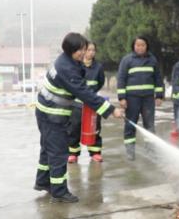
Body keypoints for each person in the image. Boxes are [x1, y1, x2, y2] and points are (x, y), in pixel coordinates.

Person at [34, 33, 122, 203]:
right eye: (81, 50)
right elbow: (84, 93)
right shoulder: (67, 68)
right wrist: (111, 110)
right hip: (52, 115)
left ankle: (43, 181)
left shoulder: (66, 61)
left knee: (47, 148)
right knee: (59, 153)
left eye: (85, 48)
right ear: (71, 50)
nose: (84, 52)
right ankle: (59, 191)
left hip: (45, 111)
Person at [117, 36, 164, 160]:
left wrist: (159, 95)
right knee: (130, 125)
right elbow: (121, 79)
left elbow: (158, 78)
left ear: (147, 46)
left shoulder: (152, 60)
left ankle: (150, 150)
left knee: (149, 125)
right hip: (132, 99)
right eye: (137, 45)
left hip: (148, 99)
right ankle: (130, 151)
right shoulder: (127, 60)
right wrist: (122, 98)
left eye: (142, 45)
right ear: (133, 46)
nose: (140, 47)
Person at [68, 41, 106, 163]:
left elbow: (100, 83)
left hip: (92, 103)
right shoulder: (76, 66)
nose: (91, 52)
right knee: (74, 128)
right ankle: (73, 153)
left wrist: (91, 96)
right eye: (88, 50)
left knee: (94, 127)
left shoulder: (98, 67)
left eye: (93, 50)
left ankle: (95, 152)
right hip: (77, 103)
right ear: (83, 50)